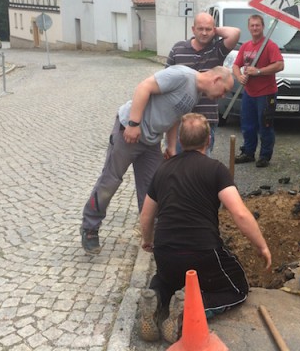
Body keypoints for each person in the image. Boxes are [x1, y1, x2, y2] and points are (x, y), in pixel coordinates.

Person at [138, 112, 272, 343]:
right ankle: (187, 313)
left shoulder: (163, 169)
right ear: (208, 140)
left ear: (180, 140)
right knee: (238, 288)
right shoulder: (216, 169)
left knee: (166, 278)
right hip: (202, 252)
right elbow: (239, 213)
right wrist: (262, 246)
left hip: (165, 250)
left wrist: (148, 240)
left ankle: (157, 299)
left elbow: (146, 215)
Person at [79, 66, 234, 255]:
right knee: (110, 181)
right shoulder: (182, 76)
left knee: (153, 188)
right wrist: (133, 124)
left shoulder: (196, 94)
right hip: (128, 132)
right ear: (216, 80)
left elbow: (175, 117)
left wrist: (171, 146)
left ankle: (153, 236)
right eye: (224, 90)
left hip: (151, 141)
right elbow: (143, 87)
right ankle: (89, 228)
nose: (223, 96)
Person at [166, 12, 240, 154]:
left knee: (202, 164)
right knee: (176, 162)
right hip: (180, 120)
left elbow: (235, 33)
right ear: (193, 29)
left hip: (207, 119)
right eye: (200, 29)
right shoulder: (178, 49)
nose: (204, 33)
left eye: (208, 29)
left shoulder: (217, 49)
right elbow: (167, 81)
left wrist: (214, 30)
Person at [232, 14, 284, 167]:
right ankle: (248, 153)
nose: (255, 28)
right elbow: (236, 65)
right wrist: (239, 76)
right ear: (248, 27)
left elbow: (280, 65)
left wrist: (259, 71)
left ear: (263, 27)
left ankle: (264, 156)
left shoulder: (270, 46)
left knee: (265, 125)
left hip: (266, 93)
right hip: (249, 93)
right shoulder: (245, 46)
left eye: (258, 25)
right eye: (252, 25)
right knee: (247, 125)